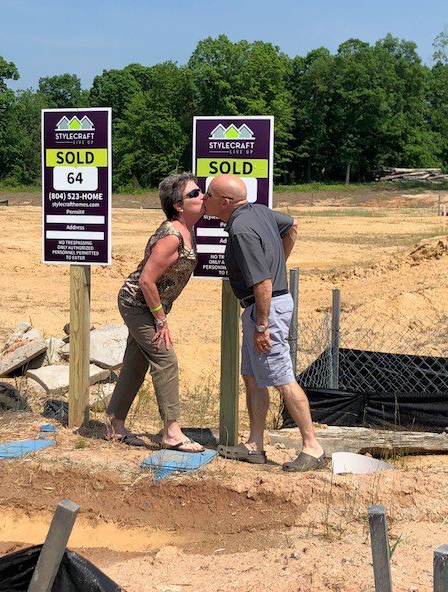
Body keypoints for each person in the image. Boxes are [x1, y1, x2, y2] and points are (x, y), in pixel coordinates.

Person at [204, 174, 326, 471]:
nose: (204, 199)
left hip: (265, 309)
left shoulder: (242, 230)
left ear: (225, 202)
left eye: (208, 195)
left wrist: (261, 326)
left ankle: (312, 447)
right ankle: (255, 445)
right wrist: (279, 260)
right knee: (253, 375)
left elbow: (262, 282)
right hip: (263, 307)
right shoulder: (257, 211)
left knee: (283, 379)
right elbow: (292, 224)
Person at [106, 173, 205, 452]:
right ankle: (172, 433)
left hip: (149, 306)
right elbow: (146, 280)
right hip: (137, 304)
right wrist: (160, 319)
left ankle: (115, 425)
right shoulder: (172, 236)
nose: (202, 196)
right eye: (195, 194)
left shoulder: (187, 230)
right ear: (178, 205)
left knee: (136, 365)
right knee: (165, 358)